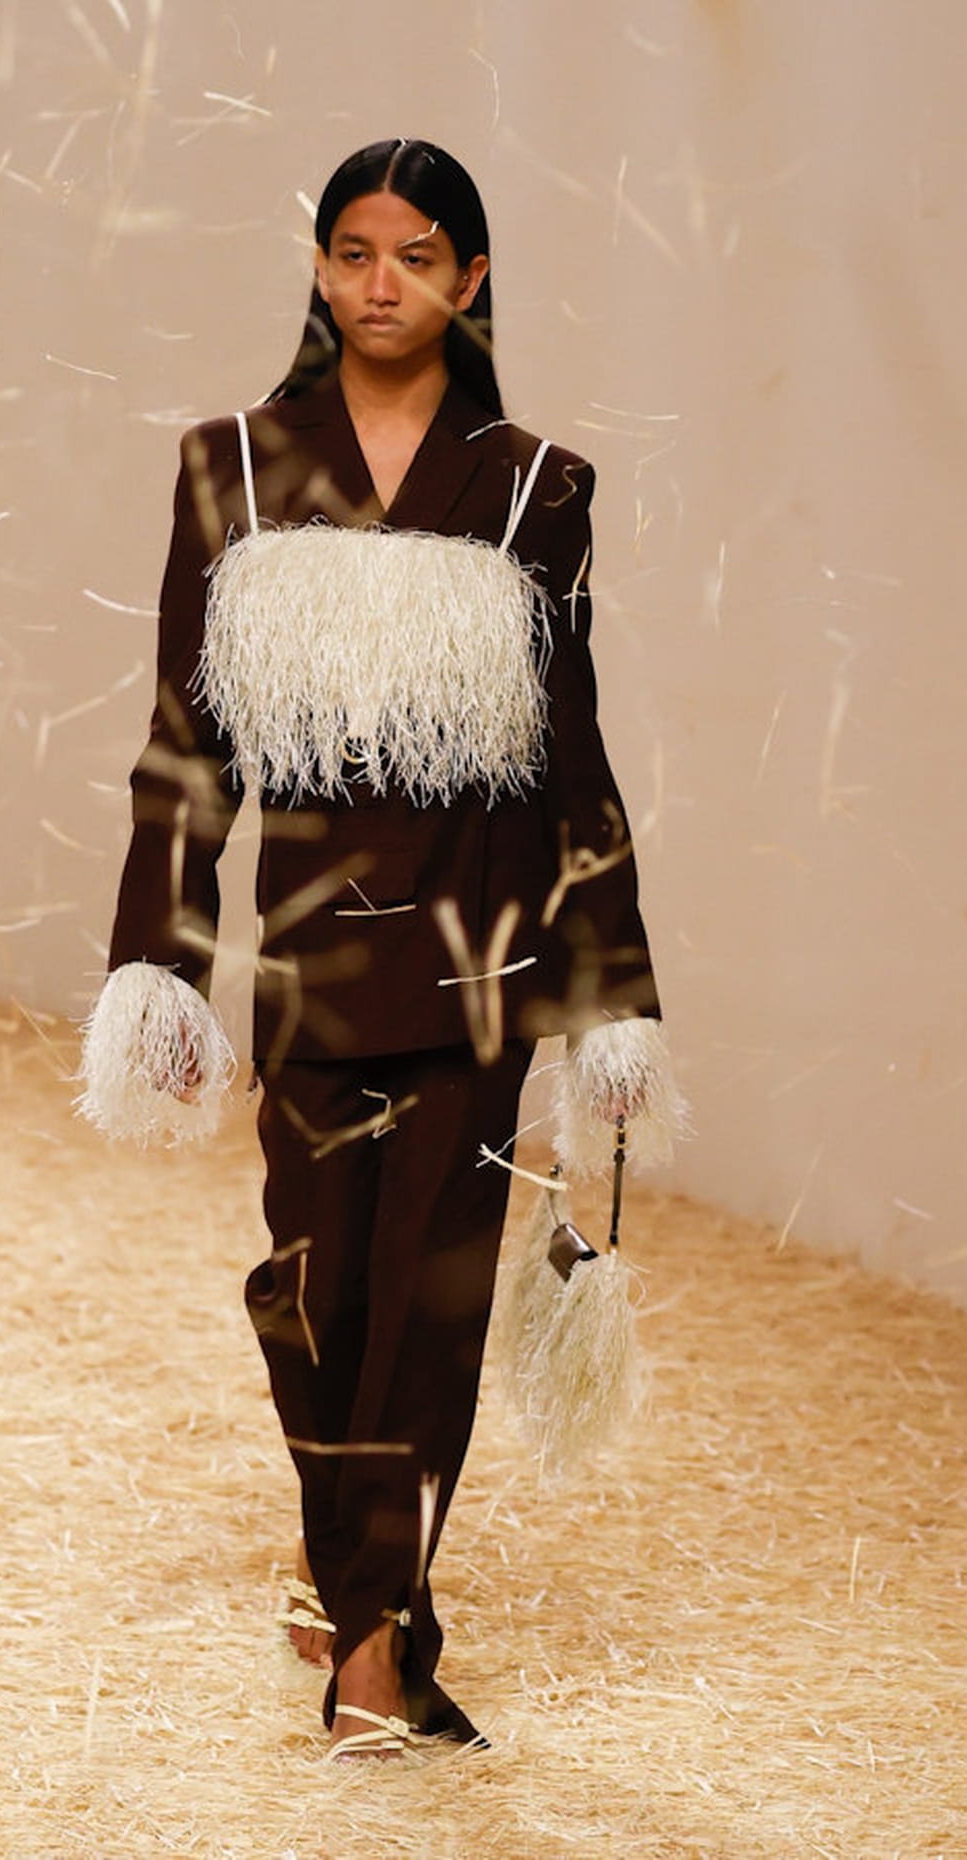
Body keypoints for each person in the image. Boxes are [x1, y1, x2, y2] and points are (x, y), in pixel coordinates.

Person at [81, 139, 678, 1758]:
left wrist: (612, 995)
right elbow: (189, 743)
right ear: (319, 267)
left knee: (430, 1304)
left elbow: (570, 754)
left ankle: (373, 1647)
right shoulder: (235, 466)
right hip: (310, 959)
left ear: (471, 280)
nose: (381, 284)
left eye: (417, 256)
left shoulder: (539, 486)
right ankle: (349, 1565)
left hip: (482, 962)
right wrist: (161, 960)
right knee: (315, 1289)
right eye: (353, 252)